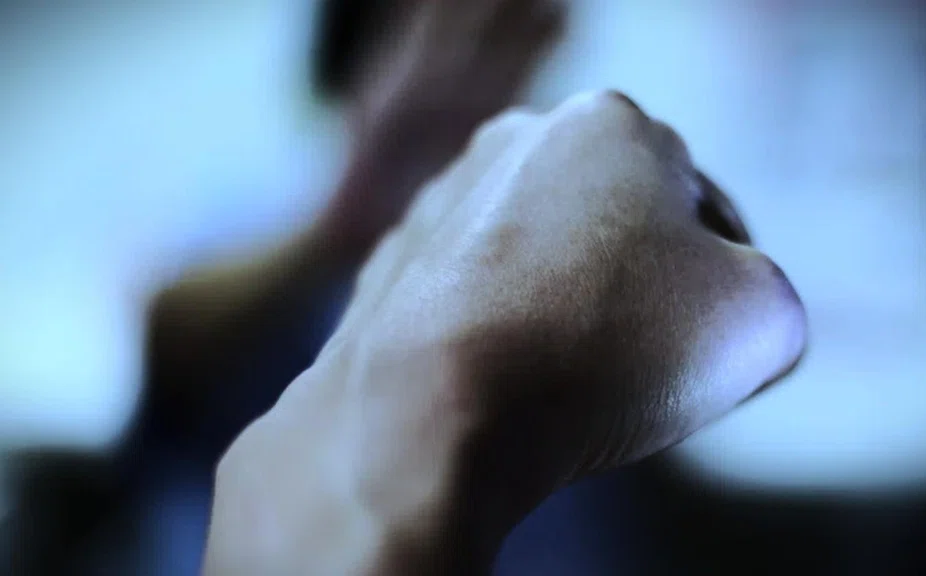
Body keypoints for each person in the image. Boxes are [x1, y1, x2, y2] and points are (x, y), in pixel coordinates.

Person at [153, 1, 807, 575]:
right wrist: (353, 202)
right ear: (357, 49)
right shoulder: (249, 218)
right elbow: (166, 341)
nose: (477, 72)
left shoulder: (548, 228)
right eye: (451, 37)